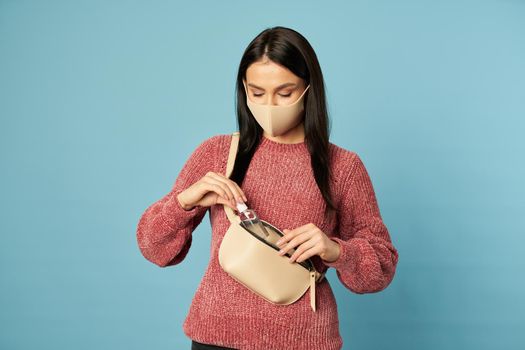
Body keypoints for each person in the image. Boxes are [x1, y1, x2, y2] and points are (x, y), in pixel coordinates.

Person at [136, 26, 399, 350]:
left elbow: (380, 270)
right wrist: (183, 203)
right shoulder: (217, 154)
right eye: (257, 93)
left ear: (308, 89)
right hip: (216, 339)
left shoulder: (343, 167)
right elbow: (153, 248)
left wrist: (335, 250)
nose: (270, 105)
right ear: (244, 90)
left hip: (305, 341)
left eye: (285, 93)